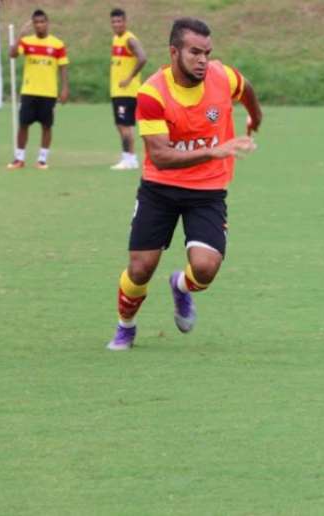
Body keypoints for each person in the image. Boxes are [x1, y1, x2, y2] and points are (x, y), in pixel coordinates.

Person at [107, 17, 262, 350]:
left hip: (207, 191)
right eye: (194, 52)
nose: (203, 60)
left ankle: (181, 286)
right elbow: (161, 156)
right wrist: (215, 150)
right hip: (159, 189)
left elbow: (245, 88)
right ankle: (126, 326)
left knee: (205, 270)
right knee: (140, 268)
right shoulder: (152, 93)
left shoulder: (222, 76)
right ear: (174, 52)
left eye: (207, 52)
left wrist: (255, 115)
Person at [7, 9, 69, 170]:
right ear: (33, 25)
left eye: (42, 22)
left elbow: (63, 67)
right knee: (23, 125)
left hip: (48, 93)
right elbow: (12, 54)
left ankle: (42, 159)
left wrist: (64, 89)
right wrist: (20, 35)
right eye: (36, 22)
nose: (39, 25)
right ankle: (19, 158)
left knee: (47, 126)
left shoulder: (57, 44)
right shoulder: (26, 41)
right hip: (29, 91)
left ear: (47, 23)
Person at [109, 7, 147, 170]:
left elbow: (143, 58)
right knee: (121, 125)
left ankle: (128, 159)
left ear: (125, 22)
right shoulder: (115, 39)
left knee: (125, 126)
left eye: (119, 21)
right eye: (113, 21)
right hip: (117, 91)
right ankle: (131, 158)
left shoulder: (129, 39)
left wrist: (129, 78)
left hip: (127, 91)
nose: (116, 24)